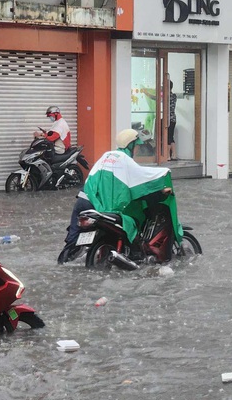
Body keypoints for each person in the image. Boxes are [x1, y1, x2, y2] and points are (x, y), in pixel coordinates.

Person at [57, 129, 180, 264]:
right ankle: (134, 255)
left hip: (82, 201)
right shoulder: (124, 160)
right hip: (98, 205)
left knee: (72, 240)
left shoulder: (107, 156)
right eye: (137, 146)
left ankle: (62, 263)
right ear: (130, 145)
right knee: (128, 224)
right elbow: (142, 177)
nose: (138, 149)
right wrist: (165, 175)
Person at [168, 80, 177, 160]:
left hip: (168, 120)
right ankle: (174, 155)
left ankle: (167, 156)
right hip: (173, 118)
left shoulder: (168, 96)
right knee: (171, 137)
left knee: (168, 137)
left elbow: (155, 98)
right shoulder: (174, 95)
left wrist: (147, 93)